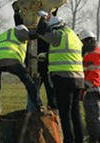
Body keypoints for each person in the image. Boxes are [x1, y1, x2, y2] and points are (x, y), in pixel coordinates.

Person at [38, 12, 84, 143]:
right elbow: (67, 54)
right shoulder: (74, 36)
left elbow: (42, 31)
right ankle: (79, 140)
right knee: (76, 114)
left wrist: (43, 18)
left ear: (56, 27)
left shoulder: (59, 35)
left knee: (64, 114)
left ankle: (68, 140)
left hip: (64, 79)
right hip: (78, 78)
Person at [0, 24, 44, 122]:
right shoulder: (19, 31)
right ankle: (38, 106)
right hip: (11, 57)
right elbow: (33, 35)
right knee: (27, 80)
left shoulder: (4, 34)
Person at [78, 29, 100, 143]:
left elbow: (94, 73)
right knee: (90, 118)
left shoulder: (94, 53)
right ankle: (94, 139)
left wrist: (85, 87)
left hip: (93, 88)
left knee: (94, 119)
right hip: (92, 88)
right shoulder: (93, 52)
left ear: (85, 41)